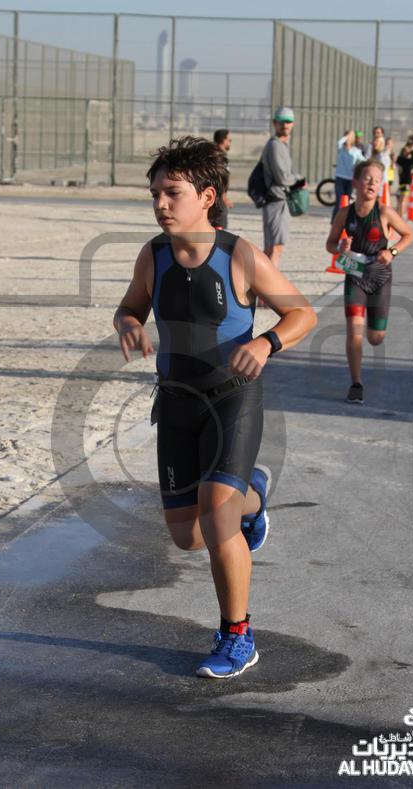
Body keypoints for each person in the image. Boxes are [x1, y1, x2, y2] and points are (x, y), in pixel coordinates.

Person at [114, 136, 317, 679]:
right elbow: (129, 306)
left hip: (233, 398)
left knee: (218, 514)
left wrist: (266, 343)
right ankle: (255, 496)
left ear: (207, 197)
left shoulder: (239, 255)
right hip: (176, 404)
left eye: (172, 193)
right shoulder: (153, 255)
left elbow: (302, 314)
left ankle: (237, 636)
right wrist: (128, 323)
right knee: (187, 536)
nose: (160, 204)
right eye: (155, 193)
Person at [326, 159, 413, 404]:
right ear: (356, 182)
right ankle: (356, 384)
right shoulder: (345, 213)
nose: (372, 183)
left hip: (380, 277)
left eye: (377, 180)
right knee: (354, 331)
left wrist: (392, 252)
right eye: (367, 178)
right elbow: (330, 244)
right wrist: (340, 247)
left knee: (376, 337)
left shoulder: (384, 212)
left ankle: (373, 327)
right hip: (355, 275)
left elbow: (409, 234)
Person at [260, 106, 306, 270]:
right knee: (276, 248)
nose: (285, 125)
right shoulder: (275, 146)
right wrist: (299, 180)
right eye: (282, 122)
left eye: (288, 122)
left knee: (271, 248)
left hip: (277, 200)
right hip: (276, 200)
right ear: (275, 123)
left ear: (293, 124)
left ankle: (262, 284)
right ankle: (269, 283)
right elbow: (283, 178)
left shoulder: (281, 145)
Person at [332, 129, 365, 221]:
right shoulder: (341, 148)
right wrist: (347, 136)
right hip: (340, 178)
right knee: (339, 201)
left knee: (347, 201)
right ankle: (334, 221)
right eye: (346, 136)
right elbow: (339, 142)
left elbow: (364, 160)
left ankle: (344, 221)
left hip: (350, 179)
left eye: (350, 136)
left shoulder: (356, 151)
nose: (347, 138)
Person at [213, 129, 233, 229]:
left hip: (218, 197)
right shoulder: (218, 157)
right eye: (229, 140)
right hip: (218, 199)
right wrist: (223, 196)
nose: (230, 142)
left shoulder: (217, 154)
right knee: (220, 227)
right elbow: (218, 177)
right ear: (223, 140)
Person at [396, 139, 413, 217]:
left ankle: (400, 214)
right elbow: (412, 160)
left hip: (404, 182)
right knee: (403, 199)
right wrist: (412, 151)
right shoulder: (403, 160)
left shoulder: (401, 160)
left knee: (403, 199)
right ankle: (400, 215)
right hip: (405, 182)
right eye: (406, 151)